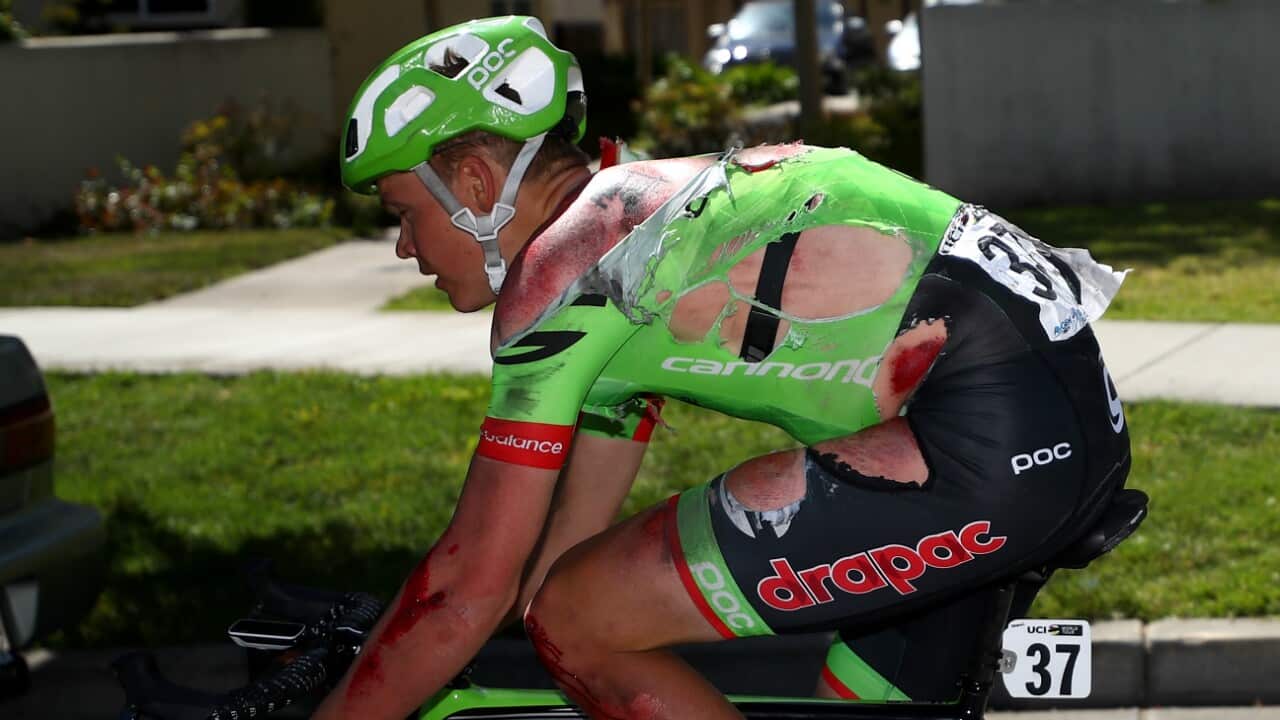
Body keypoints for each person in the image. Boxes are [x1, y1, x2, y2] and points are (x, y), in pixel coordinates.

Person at [314, 15, 1132, 720]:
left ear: (473, 181)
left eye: (404, 212)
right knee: (840, 692)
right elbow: (549, 555)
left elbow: (467, 587)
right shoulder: (636, 231)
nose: (404, 246)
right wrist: (461, 632)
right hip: (1053, 427)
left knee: (580, 620)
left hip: (982, 442)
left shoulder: (568, 271)